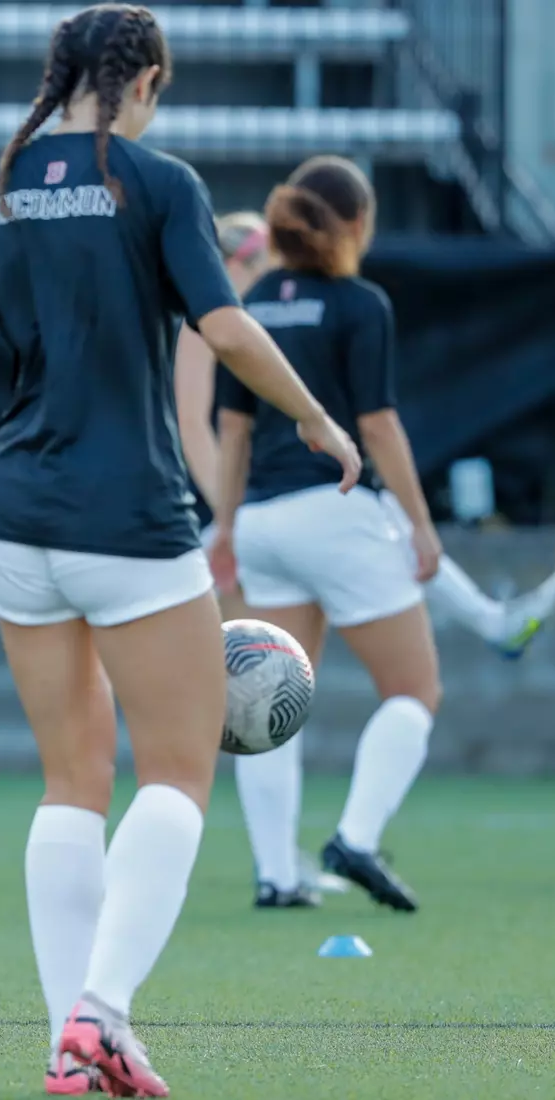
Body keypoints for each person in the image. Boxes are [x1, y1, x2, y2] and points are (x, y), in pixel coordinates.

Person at [0, 6, 360, 1095]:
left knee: (70, 781)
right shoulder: (155, 182)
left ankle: (77, 1041)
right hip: (130, 515)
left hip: (17, 515)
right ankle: (98, 1012)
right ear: (140, 77)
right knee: (183, 768)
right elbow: (228, 327)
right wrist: (316, 419)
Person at [207, 157, 442, 914]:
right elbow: (376, 424)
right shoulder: (359, 303)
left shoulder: (246, 307)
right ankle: (356, 838)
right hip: (334, 511)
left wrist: (226, 524)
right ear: (354, 226)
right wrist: (420, 524)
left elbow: (231, 432)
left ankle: (276, 875)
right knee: (414, 690)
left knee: (267, 699)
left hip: (264, 523)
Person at [176, 211, 555, 657]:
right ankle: (492, 623)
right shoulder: (212, 323)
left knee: (280, 677)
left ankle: (493, 622)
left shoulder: (260, 323)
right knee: (260, 678)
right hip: (234, 522)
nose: (280, 279)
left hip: (259, 512)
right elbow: (195, 426)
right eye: (266, 264)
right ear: (232, 268)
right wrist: (234, 513)